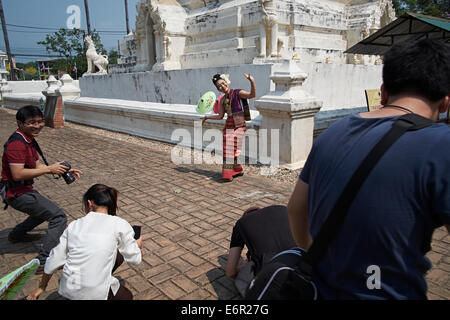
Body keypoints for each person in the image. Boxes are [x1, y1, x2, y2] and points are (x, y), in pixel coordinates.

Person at [287, 39, 450, 299]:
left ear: (383, 92)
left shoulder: (333, 131)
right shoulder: (442, 145)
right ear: (445, 104)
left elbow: (295, 208)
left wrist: (315, 251)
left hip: (318, 287)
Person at [1, 105, 82, 273]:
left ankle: (17, 234)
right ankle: (44, 260)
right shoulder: (17, 144)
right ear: (20, 123)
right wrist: (48, 169)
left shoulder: (27, 139)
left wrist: (59, 169)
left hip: (22, 190)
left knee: (43, 212)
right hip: (15, 193)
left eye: (40, 121)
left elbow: (36, 165)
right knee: (58, 216)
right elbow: (17, 174)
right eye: (32, 122)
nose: (37, 126)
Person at [26, 184, 143, 300]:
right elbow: (135, 259)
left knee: (113, 254)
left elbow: (54, 259)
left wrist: (42, 287)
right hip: (94, 294)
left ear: (89, 203)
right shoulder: (120, 224)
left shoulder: (74, 225)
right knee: (126, 296)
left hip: (68, 289)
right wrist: (137, 246)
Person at [226, 205, 296, 296]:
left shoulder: (241, 223)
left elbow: (230, 272)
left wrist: (244, 266)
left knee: (241, 278)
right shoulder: (283, 209)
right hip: (300, 265)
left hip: (272, 275)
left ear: (245, 215)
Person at [202, 73, 256, 181]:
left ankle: (227, 174)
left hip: (239, 124)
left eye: (222, 83)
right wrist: (207, 117)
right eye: (219, 87)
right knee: (229, 148)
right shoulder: (222, 100)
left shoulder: (237, 93)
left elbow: (251, 95)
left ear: (226, 82)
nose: (222, 87)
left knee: (230, 148)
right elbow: (221, 116)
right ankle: (237, 170)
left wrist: (252, 81)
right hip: (229, 124)